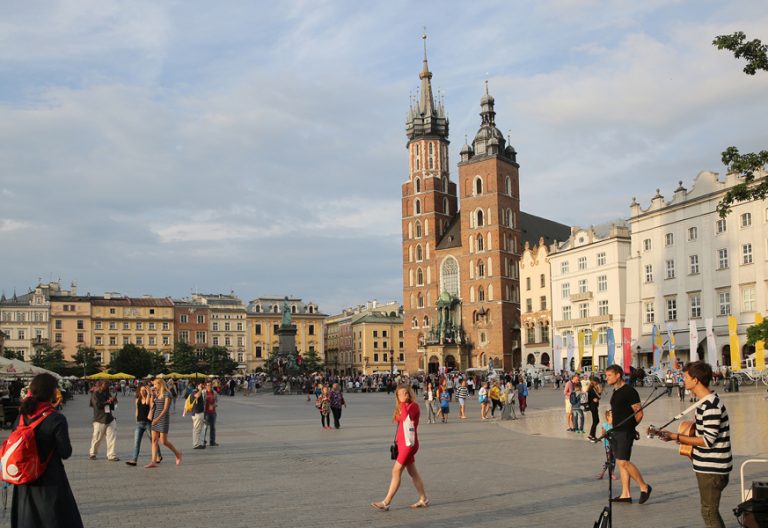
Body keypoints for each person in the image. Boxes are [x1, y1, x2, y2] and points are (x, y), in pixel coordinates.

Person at [656, 361, 732, 528]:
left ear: (696, 380)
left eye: (685, 376)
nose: (683, 380)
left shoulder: (710, 406)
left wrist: (677, 436)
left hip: (713, 468)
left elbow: (707, 440)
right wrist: (681, 438)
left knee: (708, 512)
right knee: (709, 510)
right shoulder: (704, 403)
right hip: (707, 466)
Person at [10, 373, 83, 528]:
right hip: (49, 479)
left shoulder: (22, 416)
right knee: (54, 519)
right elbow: (65, 452)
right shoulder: (56, 418)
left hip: (24, 479)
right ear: (51, 392)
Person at [371, 384, 429, 511]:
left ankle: (386, 502)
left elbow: (404, 418)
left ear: (409, 393)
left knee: (396, 471)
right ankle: (423, 498)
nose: (404, 395)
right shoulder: (403, 406)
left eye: (405, 393)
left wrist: (402, 404)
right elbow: (398, 419)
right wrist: (401, 405)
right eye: (400, 394)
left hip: (409, 444)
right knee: (413, 473)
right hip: (402, 444)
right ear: (397, 396)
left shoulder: (413, 406)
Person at [605, 364, 651, 504]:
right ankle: (626, 494)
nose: (606, 378)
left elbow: (639, 413)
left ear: (618, 375)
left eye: (609, 375)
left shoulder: (629, 391)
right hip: (617, 431)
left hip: (625, 432)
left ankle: (644, 487)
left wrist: (630, 428)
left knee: (623, 461)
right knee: (621, 463)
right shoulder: (616, 391)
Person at [145, 378, 182, 468]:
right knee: (154, 440)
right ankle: (153, 461)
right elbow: (150, 405)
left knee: (163, 441)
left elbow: (165, 409)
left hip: (163, 418)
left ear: (160, 384)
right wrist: (151, 394)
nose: (154, 386)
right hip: (155, 417)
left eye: (155, 385)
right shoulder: (157, 394)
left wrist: (158, 419)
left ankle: (177, 454)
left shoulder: (167, 394)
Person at [126, 383, 161, 466]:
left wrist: (149, 393)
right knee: (136, 442)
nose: (142, 392)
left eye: (144, 390)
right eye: (141, 390)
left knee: (153, 440)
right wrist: (136, 419)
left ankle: (158, 456)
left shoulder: (148, 398)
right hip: (139, 424)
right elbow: (137, 410)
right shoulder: (137, 399)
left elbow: (147, 403)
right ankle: (134, 460)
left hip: (148, 423)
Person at [89, 381, 119, 461]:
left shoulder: (107, 393)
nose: (106, 387)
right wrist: (107, 402)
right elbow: (97, 405)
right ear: (100, 385)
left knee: (111, 437)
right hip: (99, 419)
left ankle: (111, 455)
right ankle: (93, 453)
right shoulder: (95, 394)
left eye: (107, 385)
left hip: (109, 418)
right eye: (105, 385)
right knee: (97, 438)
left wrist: (114, 401)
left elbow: (112, 407)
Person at [183, 382, 206, 449]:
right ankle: (196, 444)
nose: (202, 386)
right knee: (196, 429)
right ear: (197, 385)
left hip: (198, 413)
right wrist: (200, 390)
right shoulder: (195, 391)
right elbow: (197, 396)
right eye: (201, 384)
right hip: (197, 413)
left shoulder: (197, 391)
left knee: (198, 429)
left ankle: (199, 443)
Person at [596, 409, 617, 480]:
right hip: (607, 444)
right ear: (608, 417)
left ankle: (612, 472)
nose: (614, 417)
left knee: (613, 459)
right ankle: (603, 473)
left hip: (615, 444)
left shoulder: (616, 425)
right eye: (612, 415)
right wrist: (606, 434)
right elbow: (603, 434)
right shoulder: (605, 425)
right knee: (609, 459)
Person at [202, 380, 219, 446]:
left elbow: (216, 401)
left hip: (213, 412)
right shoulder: (203, 392)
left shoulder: (214, 392)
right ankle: (203, 441)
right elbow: (201, 402)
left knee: (213, 427)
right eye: (208, 385)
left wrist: (215, 405)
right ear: (205, 386)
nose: (209, 386)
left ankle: (212, 442)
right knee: (205, 427)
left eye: (210, 385)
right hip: (206, 412)